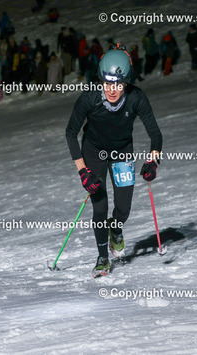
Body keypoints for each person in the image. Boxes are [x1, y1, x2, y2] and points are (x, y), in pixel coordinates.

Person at [65, 44, 163, 277]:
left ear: (126, 82)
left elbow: (156, 135)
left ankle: (116, 228)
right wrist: (83, 172)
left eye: (118, 84)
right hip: (94, 152)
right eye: (107, 83)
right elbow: (70, 133)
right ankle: (102, 257)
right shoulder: (89, 98)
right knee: (100, 207)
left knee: (124, 209)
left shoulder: (136, 98)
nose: (112, 90)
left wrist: (152, 162)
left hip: (122, 151)